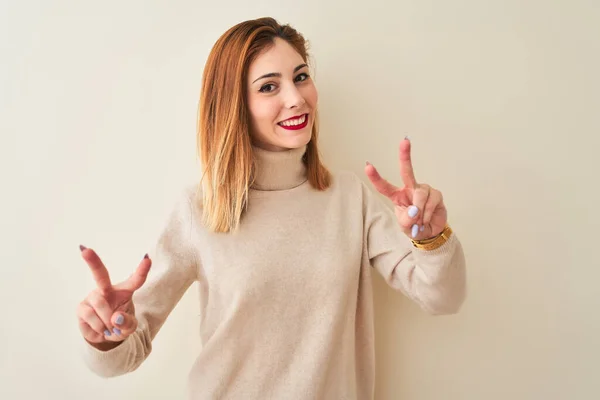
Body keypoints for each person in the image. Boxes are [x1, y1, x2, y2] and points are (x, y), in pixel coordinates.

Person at [76, 16, 467, 400]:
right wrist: (104, 334)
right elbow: (124, 353)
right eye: (268, 87)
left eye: (300, 77)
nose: (296, 98)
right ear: (235, 105)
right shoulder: (200, 209)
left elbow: (443, 298)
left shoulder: (350, 198)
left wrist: (432, 240)